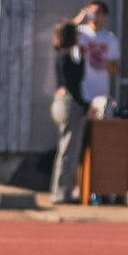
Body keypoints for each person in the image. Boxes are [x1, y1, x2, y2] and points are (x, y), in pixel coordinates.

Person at [49, 20, 87, 204]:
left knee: (66, 149)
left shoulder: (61, 55)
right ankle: (60, 192)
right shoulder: (66, 57)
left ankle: (63, 190)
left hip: (60, 103)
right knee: (68, 151)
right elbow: (74, 83)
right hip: (69, 104)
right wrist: (84, 105)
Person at [74, 1, 119, 114]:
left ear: (105, 15)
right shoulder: (80, 32)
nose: (94, 14)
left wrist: (108, 65)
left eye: (98, 12)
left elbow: (116, 70)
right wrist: (78, 19)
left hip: (101, 94)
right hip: (81, 92)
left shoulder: (110, 38)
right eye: (91, 11)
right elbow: (62, 33)